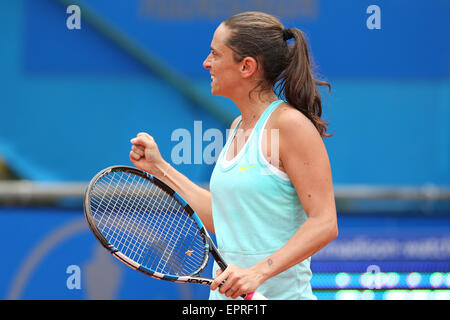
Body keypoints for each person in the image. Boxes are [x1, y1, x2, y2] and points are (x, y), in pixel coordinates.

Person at [129, 11, 337, 300]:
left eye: (215, 54)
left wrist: (257, 273)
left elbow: (325, 222)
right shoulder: (238, 127)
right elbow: (225, 219)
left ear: (246, 67)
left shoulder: (290, 125)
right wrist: (160, 168)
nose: (206, 62)